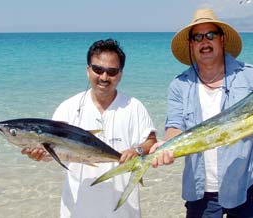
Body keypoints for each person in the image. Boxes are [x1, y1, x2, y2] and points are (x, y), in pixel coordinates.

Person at [150, 8, 253, 218]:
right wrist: (167, 146)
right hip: (201, 192)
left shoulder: (252, 77)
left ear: (222, 39)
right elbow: (175, 125)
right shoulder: (179, 85)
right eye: (198, 37)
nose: (204, 42)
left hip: (246, 187)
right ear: (191, 44)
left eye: (210, 35)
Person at [21, 38, 157, 218]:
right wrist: (39, 155)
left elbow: (151, 142)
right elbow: (52, 153)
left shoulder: (134, 107)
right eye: (98, 69)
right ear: (88, 70)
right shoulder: (68, 108)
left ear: (121, 74)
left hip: (124, 212)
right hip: (77, 211)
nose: (104, 77)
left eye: (112, 71)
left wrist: (137, 150)